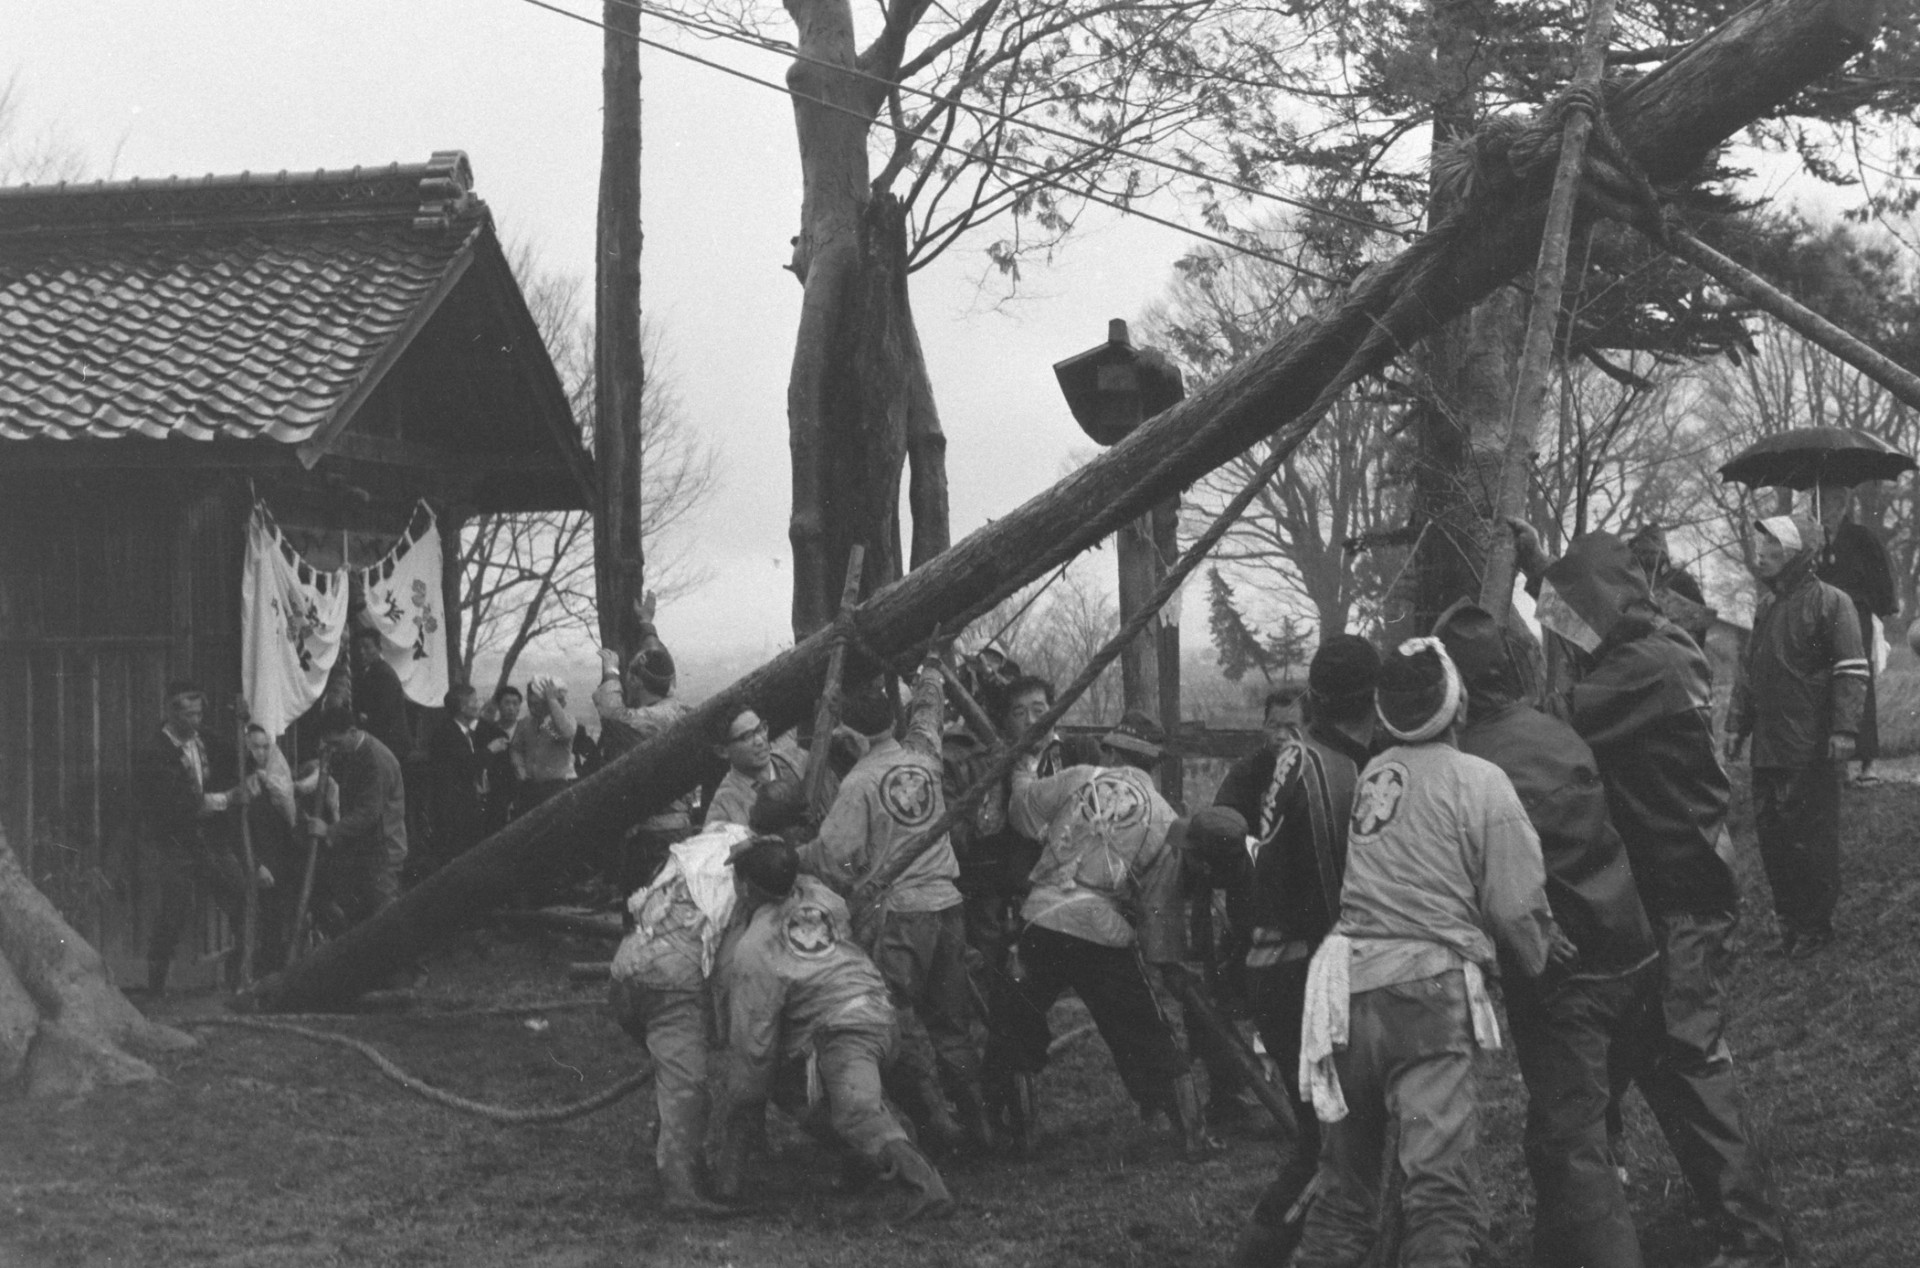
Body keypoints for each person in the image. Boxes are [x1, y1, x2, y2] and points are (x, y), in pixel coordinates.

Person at [1529, 527, 1791, 1268]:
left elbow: (1552, 725)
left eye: (1575, 614)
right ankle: (1726, 1213)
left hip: (1684, 896)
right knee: (1660, 1056)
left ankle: (1754, 1238)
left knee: (1691, 1056)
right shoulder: (1647, 648)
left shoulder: (1645, 666)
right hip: (1669, 891)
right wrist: (1535, 571)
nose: (1570, 635)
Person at [1289, 638, 1563, 1268]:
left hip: (1346, 994)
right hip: (1428, 998)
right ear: (1455, 703)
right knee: (1439, 1190)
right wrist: (1539, 964)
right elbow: (1517, 905)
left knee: (1346, 1190)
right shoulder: (1481, 781)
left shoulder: (1373, 777)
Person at [1437, 601, 1658, 1268]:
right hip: (1631, 949)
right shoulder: (1558, 730)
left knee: (1575, 1145)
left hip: (1567, 977)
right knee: (1561, 1131)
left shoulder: (1469, 765)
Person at [985, 709, 1215, 1160]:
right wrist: (1163, 961)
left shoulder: (1079, 777)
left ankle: (1018, 1132)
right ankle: (1191, 1132)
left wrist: (1023, 763)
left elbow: (1023, 812)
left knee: (1016, 1019)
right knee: (1145, 1028)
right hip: (1102, 931)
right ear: (1153, 764)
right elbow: (1159, 906)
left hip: (1044, 919)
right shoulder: (1163, 817)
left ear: (1110, 750)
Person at [1223, 635, 1380, 1268]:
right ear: (1372, 700)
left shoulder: (1308, 756)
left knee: (1336, 1136)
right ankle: (1258, 1256)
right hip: (1300, 972)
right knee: (1324, 1143)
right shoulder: (1326, 771)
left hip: (1281, 967)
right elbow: (1328, 896)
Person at [710, 837, 954, 1222]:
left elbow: (753, 1047)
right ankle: (864, 1159)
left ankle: (925, 1186)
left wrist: (742, 1102)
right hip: (880, 1013)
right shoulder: (821, 897)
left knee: (855, 1112)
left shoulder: (755, 948)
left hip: (846, 1031)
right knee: (797, 1089)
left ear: (745, 888)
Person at [798, 657, 985, 1152]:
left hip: (903, 917)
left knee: (888, 1016)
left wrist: (779, 856)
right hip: (949, 906)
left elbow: (828, 852)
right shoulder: (924, 756)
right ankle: (977, 1122)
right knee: (950, 1022)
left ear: (854, 739)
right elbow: (926, 713)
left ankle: (927, 1125)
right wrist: (930, 672)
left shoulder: (858, 783)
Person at [1727, 514, 1868, 959]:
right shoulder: (1766, 608)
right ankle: (1789, 923)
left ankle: (1815, 926)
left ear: (1792, 554)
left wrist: (1844, 730)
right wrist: (1736, 725)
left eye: (1770, 548)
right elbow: (1749, 674)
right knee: (1773, 839)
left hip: (1808, 746)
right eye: (1760, 547)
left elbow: (1851, 671)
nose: (1760, 555)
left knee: (1810, 835)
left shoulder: (1832, 602)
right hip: (1768, 748)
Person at [607, 815, 750, 1217]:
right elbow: (728, 958)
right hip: (672, 979)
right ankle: (679, 1187)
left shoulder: (689, 859)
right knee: (686, 1086)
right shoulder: (738, 881)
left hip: (627, 969)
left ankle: (669, 1144)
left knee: (673, 1071)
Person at [136, 681, 246, 994]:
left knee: (241, 894)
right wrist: (227, 799)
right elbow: (179, 804)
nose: (195, 720)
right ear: (170, 711)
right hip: (174, 842)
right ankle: (156, 988)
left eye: (199, 713)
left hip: (210, 840)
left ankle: (238, 977)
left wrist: (244, 728)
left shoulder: (204, 740)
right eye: (188, 714)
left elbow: (241, 759)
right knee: (173, 913)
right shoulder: (154, 752)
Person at [594, 616, 696, 892]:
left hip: (655, 835)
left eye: (630, 675)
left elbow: (613, 715)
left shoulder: (654, 719)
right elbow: (662, 665)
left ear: (636, 682)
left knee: (645, 911)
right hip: (673, 828)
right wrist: (647, 626)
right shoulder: (675, 708)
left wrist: (611, 673)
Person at [1813, 482, 1897, 784]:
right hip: (1824, 618)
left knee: (1858, 681)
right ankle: (1837, 760)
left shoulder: (1861, 538)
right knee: (1827, 682)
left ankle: (1868, 762)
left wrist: (1877, 607)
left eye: (1835, 503)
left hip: (1855, 615)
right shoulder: (1815, 539)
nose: (1828, 510)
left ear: (1844, 505)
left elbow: (1881, 578)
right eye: (1823, 503)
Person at [305, 705, 407, 934]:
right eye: (328, 744)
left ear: (352, 731)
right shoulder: (352, 752)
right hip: (365, 849)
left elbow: (369, 813)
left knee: (387, 916)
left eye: (336, 743)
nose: (332, 750)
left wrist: (329, 831)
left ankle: (416, 969)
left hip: (383, 851)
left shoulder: (374, 759)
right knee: (365, 919)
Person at [423, 683, 505, 872]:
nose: (478, 704)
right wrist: (490, 750)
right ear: (461, 707)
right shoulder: (446, 734)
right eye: (474, 701)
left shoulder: (463, 732)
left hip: (464, 808)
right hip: (453, 812)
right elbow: (465, 766)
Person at [241, 722, 301, 973]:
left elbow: (286, 821)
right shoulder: (245, 784)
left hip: (280, 861)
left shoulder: (273, 781)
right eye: (255, 747)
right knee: (264, 924)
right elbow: (241, 831)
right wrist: (256, 864)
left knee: (280, 921)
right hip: (259, 863)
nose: (261, 754)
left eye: (266, 747)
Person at [705, 706, 805, 829]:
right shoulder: (723, 807)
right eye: (746, 737)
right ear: (722, 751)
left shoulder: (799, 760)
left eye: (760, 729)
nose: (759, 741)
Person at [1627, 524, 1714, 653]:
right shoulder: (1626, 579)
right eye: (1642, 555)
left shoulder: (1680, 581)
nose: (1647, 560)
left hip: (1668, 654)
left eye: (1652, 556)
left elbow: (1696, 632)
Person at [509, 676, 577, 817]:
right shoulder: (525, 723)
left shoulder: (566, 721)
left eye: (538, 704)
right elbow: (516, 748)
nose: (532, 708)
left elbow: (566, 733)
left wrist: (552, 700)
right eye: (530, 703)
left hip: (555, 788)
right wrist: (520, 768)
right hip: (528, 787)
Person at [349, 625, 414, 765]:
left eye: (367, 647)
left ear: (379, 649)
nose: (362, 652)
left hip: (390, 745)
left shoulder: (384, 675)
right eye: (359, 647)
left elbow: (384, 714)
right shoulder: (365, 673)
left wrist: (364, 718)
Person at [483, 685, 523, 829]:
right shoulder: (488, 731)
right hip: (497, 794)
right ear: (499, 706)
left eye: (515, 703)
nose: (511, 708)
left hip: (523, 790)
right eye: (507, 703)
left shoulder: (526, 727)